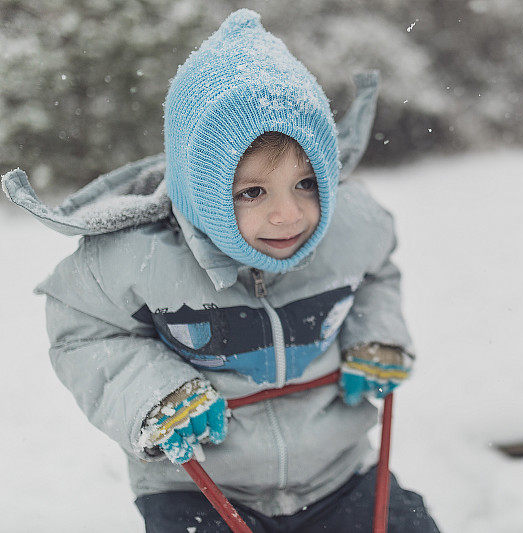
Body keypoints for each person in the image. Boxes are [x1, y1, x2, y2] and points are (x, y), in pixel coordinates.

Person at [2, 8, 440, 532]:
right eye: (252, 191)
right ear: (202, 191)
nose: (288, 214)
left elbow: (376, 276)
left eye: (305, 183)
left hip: (337, 473)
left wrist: (377, 334)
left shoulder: (353, 228)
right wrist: (152, 391)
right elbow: (82, 333)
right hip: (199, 486)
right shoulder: (134, 259)